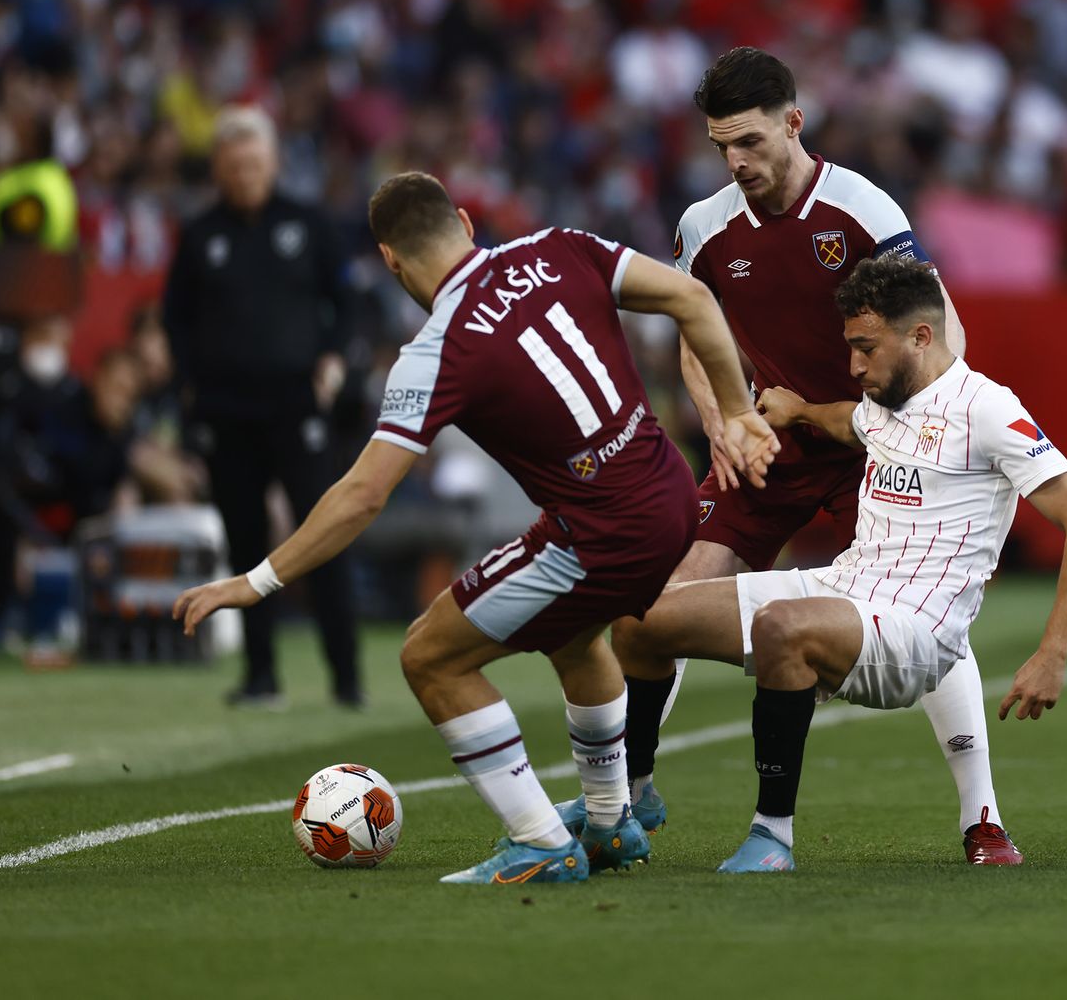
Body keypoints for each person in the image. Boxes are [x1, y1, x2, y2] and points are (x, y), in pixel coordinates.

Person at [174, 172, 777, 885]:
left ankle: (541, 840)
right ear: (462, 218)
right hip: (672, 493)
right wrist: (737, 413)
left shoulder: (435, 350)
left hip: (603, 527)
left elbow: (364, 494)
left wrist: (258, 580)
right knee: (574, 635)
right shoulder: (562, 246)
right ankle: (612, 822)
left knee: (430, 654)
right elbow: (692, 296)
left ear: (391, 262)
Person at [589, 46, 1010, 865]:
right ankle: (627, 792)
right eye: (721, 146)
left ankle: (982, 816)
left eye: (749, 141)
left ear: (794, 122)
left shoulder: (861, 210)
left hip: (872, 444)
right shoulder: (703, 227)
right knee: (659, 601)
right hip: (772, 439)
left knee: (919, 620)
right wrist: (721, 422)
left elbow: (943, 330)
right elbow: (694, 338)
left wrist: (907, 427)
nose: (735, 161)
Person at [614, 254, 1067, 872]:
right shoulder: (882, 399)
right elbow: (852, 424)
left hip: (916, 632)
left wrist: (1053, 653)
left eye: (865, 348)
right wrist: (798, 412)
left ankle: (772, 839)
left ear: (921, 337)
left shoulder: (987, 409)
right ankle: (627, 801)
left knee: (782, 628)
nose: (853, 365)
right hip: (844, 586)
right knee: (638, 616)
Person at [162, 105, 363, 709]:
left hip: (296, 401)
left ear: (272, 162)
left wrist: (334, 358)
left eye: (254, 161)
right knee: (245, 542)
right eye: (233, 164)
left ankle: (346, 678)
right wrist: (188, 386)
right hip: (227, 409)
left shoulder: (309, 223)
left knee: (322, 535)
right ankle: (260, 676)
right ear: (218, 169)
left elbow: (348, 302)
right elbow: (176, 321)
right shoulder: (200, 236)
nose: (244, 172)